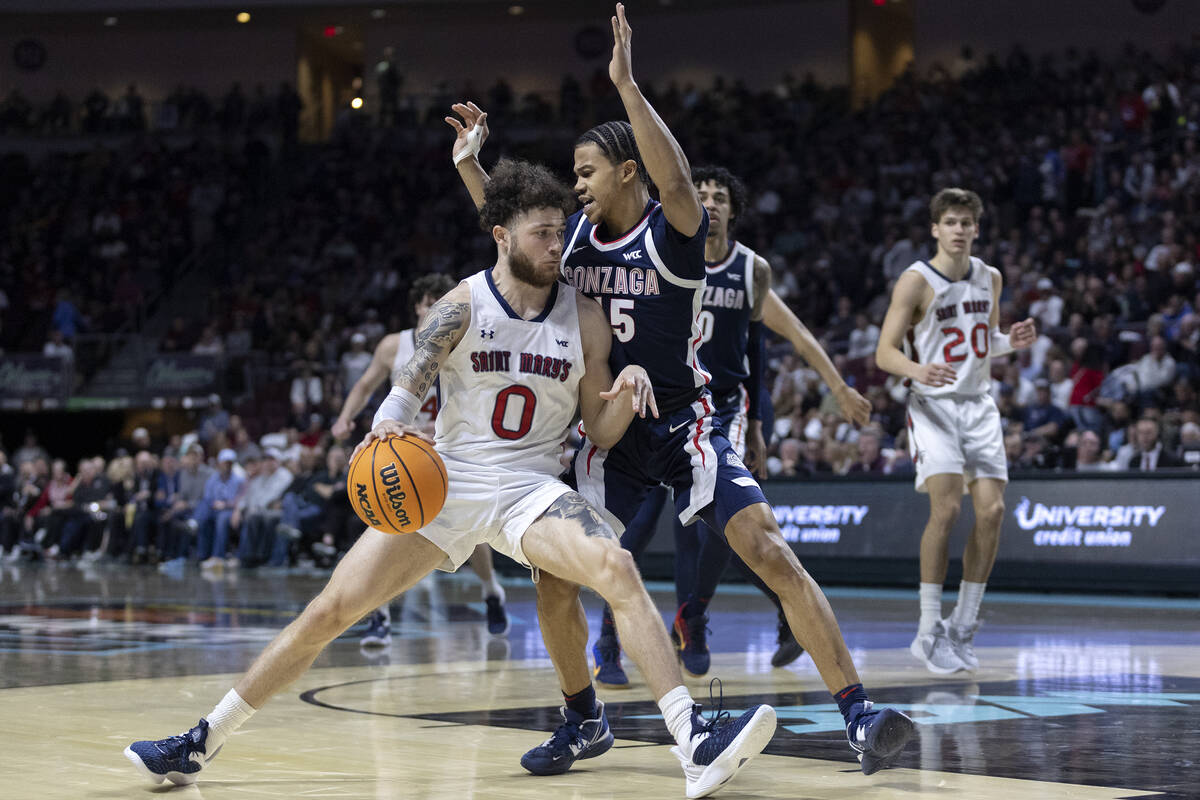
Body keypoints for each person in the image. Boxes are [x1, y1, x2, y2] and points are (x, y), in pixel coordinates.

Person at [125, 159, 778, 800]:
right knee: (330, 610)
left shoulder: (583, 315)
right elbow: (410, 379)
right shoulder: (462, 301)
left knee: (617, 570)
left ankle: (693, 741)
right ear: (501, 236)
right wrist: (388, 420)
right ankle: (200, 740)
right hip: (448, 484)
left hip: (531, 489)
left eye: (559, 232)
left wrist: (624, 394)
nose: (556, 246)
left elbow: (600, 431)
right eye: (541, 234)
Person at [449, 3, 912, 776]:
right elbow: (516, 235)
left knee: (768, 548)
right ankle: (582, 719)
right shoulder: (571, 242)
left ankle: (858, 714)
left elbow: (670, 171)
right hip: (610, 432)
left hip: (686, 424)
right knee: (555, 583)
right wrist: (471, 166)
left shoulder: (673, 233)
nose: (576, 187)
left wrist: (627, 85)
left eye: (588, 173)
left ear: (627, 174)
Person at [586, 165, 873, 685]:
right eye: (702, 195)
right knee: (636, 529)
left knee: (720, 527)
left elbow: (763, 342)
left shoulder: (749, 268)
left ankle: (692, 614)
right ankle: (609, 638)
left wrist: (790, 408)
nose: (710, 203)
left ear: (734, 209)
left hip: (721, 407)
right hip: (651, 403)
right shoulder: (663, 251)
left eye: (720, 195)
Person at [875, 187, 1037, 674]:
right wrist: (918, 371)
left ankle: (962, 625)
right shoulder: (915, 281)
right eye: (951, 222)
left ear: (977, 228)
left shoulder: (990, 276)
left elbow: (981, 344)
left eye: (967, 222)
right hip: (933, 406)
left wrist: (1011, 341)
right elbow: (884, 353)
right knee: (946, 508)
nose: (960, 230)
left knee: (992, 511)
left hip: (978, 405)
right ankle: (928, 630)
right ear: (935, 229)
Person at [332, 272, 510, 640]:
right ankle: (377, 614)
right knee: (384, 519)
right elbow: (366, 384)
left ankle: (492, 589)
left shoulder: (463, 336)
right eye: (429, 302)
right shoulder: (392, 346)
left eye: (440, 301)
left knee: (472, 532)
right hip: (402, 445)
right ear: (417, 306)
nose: (435, 308)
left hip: (447, 445)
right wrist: (345, 417)